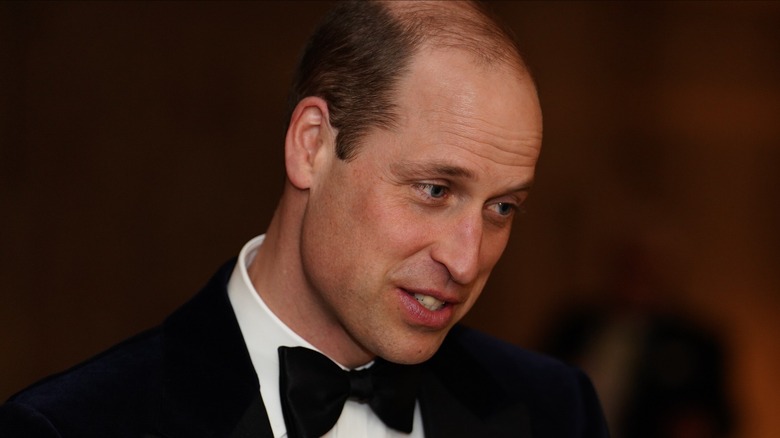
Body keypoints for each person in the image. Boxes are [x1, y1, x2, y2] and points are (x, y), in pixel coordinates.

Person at [0, 1, 608, 437]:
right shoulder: (71, 425)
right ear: (312, 145)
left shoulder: (557, 410)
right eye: (434, 189)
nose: (466, 260)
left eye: (502, 208)